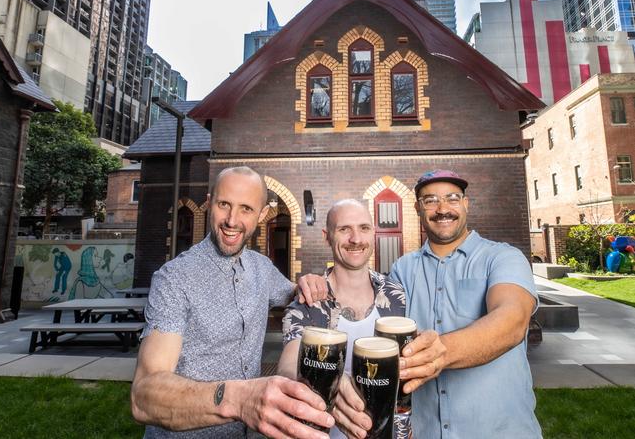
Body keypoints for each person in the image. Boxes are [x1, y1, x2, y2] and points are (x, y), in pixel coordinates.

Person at [131, 166, 333, 439]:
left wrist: (307, 282)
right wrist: (238, 399)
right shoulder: (174, 278)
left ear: (261, 214)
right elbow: (144, 395)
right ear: (210, 201)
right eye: (224, 204)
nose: (231, 220)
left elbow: (295, 293)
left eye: (246, 209)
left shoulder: (262, 268)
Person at [337, 169, 540, 439]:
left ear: (465, 204)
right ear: (418, 209)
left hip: (499, 431)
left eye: (452, 198)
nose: (443, 209)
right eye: (430, 200)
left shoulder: (502, 258)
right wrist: (317, 283)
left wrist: (439, 353)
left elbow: (512, 321)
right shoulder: (402, 269)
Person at [278, 199, 441, 439]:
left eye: (364, 228)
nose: (356, 239)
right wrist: (329, 383)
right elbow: (287, 367)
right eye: (344, 229)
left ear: (372, 232)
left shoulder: (398, 296)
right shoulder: (309, 302)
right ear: (327, 236)